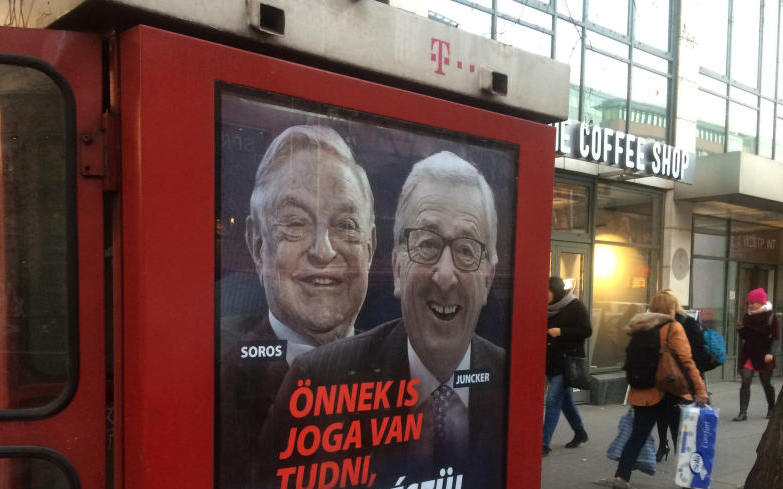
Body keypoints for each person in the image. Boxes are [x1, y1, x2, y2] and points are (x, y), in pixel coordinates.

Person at [269, 150, 504, 467]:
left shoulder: (509, 379)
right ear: (396, 268)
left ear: (487, 280)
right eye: (428, 244)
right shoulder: (318, 379)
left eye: (466, 250)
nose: (446, 276)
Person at [219, 125, 377, 453]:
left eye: (345, 225)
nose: (323, 250)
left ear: (371, 248)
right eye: (296, 224)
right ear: (257, 244)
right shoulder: (217, 382)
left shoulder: (405, 371)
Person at [611, 291, 708, 489]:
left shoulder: (639, 327)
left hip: (642, 390)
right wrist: (700, 390)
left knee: (638, 435)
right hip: (669, 390)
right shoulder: (673, 327)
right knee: (681, 436)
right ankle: (687, 479)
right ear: (671, 308)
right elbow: (686, 361)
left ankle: (621, 477)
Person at [655, 289, 707, 462]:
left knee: (678, 422)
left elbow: (695, 355)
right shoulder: (657, 324)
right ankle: (664, 445)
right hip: (664, 379)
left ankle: (683, 461)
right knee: (663, 417)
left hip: (682, 380)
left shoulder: (687, 323)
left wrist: (696, 384)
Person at [543, 276, 591, 455]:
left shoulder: (575, 306)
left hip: (568, 362)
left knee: (552, 400)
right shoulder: (548, 309)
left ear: (555, 291)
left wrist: (561, 332)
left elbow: (587, 330)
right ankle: (580, 432)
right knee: (565, 401)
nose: (544, 296)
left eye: (546, 292)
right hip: (552, 361)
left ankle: (543, 443)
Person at [733, 287, 779, 421]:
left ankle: (771, 407)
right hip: (748, 353)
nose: (751, 306)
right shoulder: (747, 316)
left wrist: (771, 353)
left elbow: (776, 337)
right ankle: (742, 412)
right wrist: (740, 329)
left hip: (765, 354)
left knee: (766, 382)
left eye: (753, 303)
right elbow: (745, 336)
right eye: (749, 303)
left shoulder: (771, 316)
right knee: (745, 380)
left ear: (762, 302)